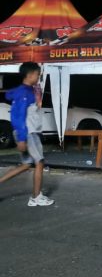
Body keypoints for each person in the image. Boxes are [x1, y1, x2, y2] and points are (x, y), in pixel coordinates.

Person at [0, 62, 54, 206]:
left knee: (26, 165)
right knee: (39, 162)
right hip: (28, 133)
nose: (39, 77)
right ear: (29, 75)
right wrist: (22, 138)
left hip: (27, 132)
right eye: (37, 74)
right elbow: (18, 116)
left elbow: (11, 96)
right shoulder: (25, 93)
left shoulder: (25, 90)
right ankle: (36, 197)